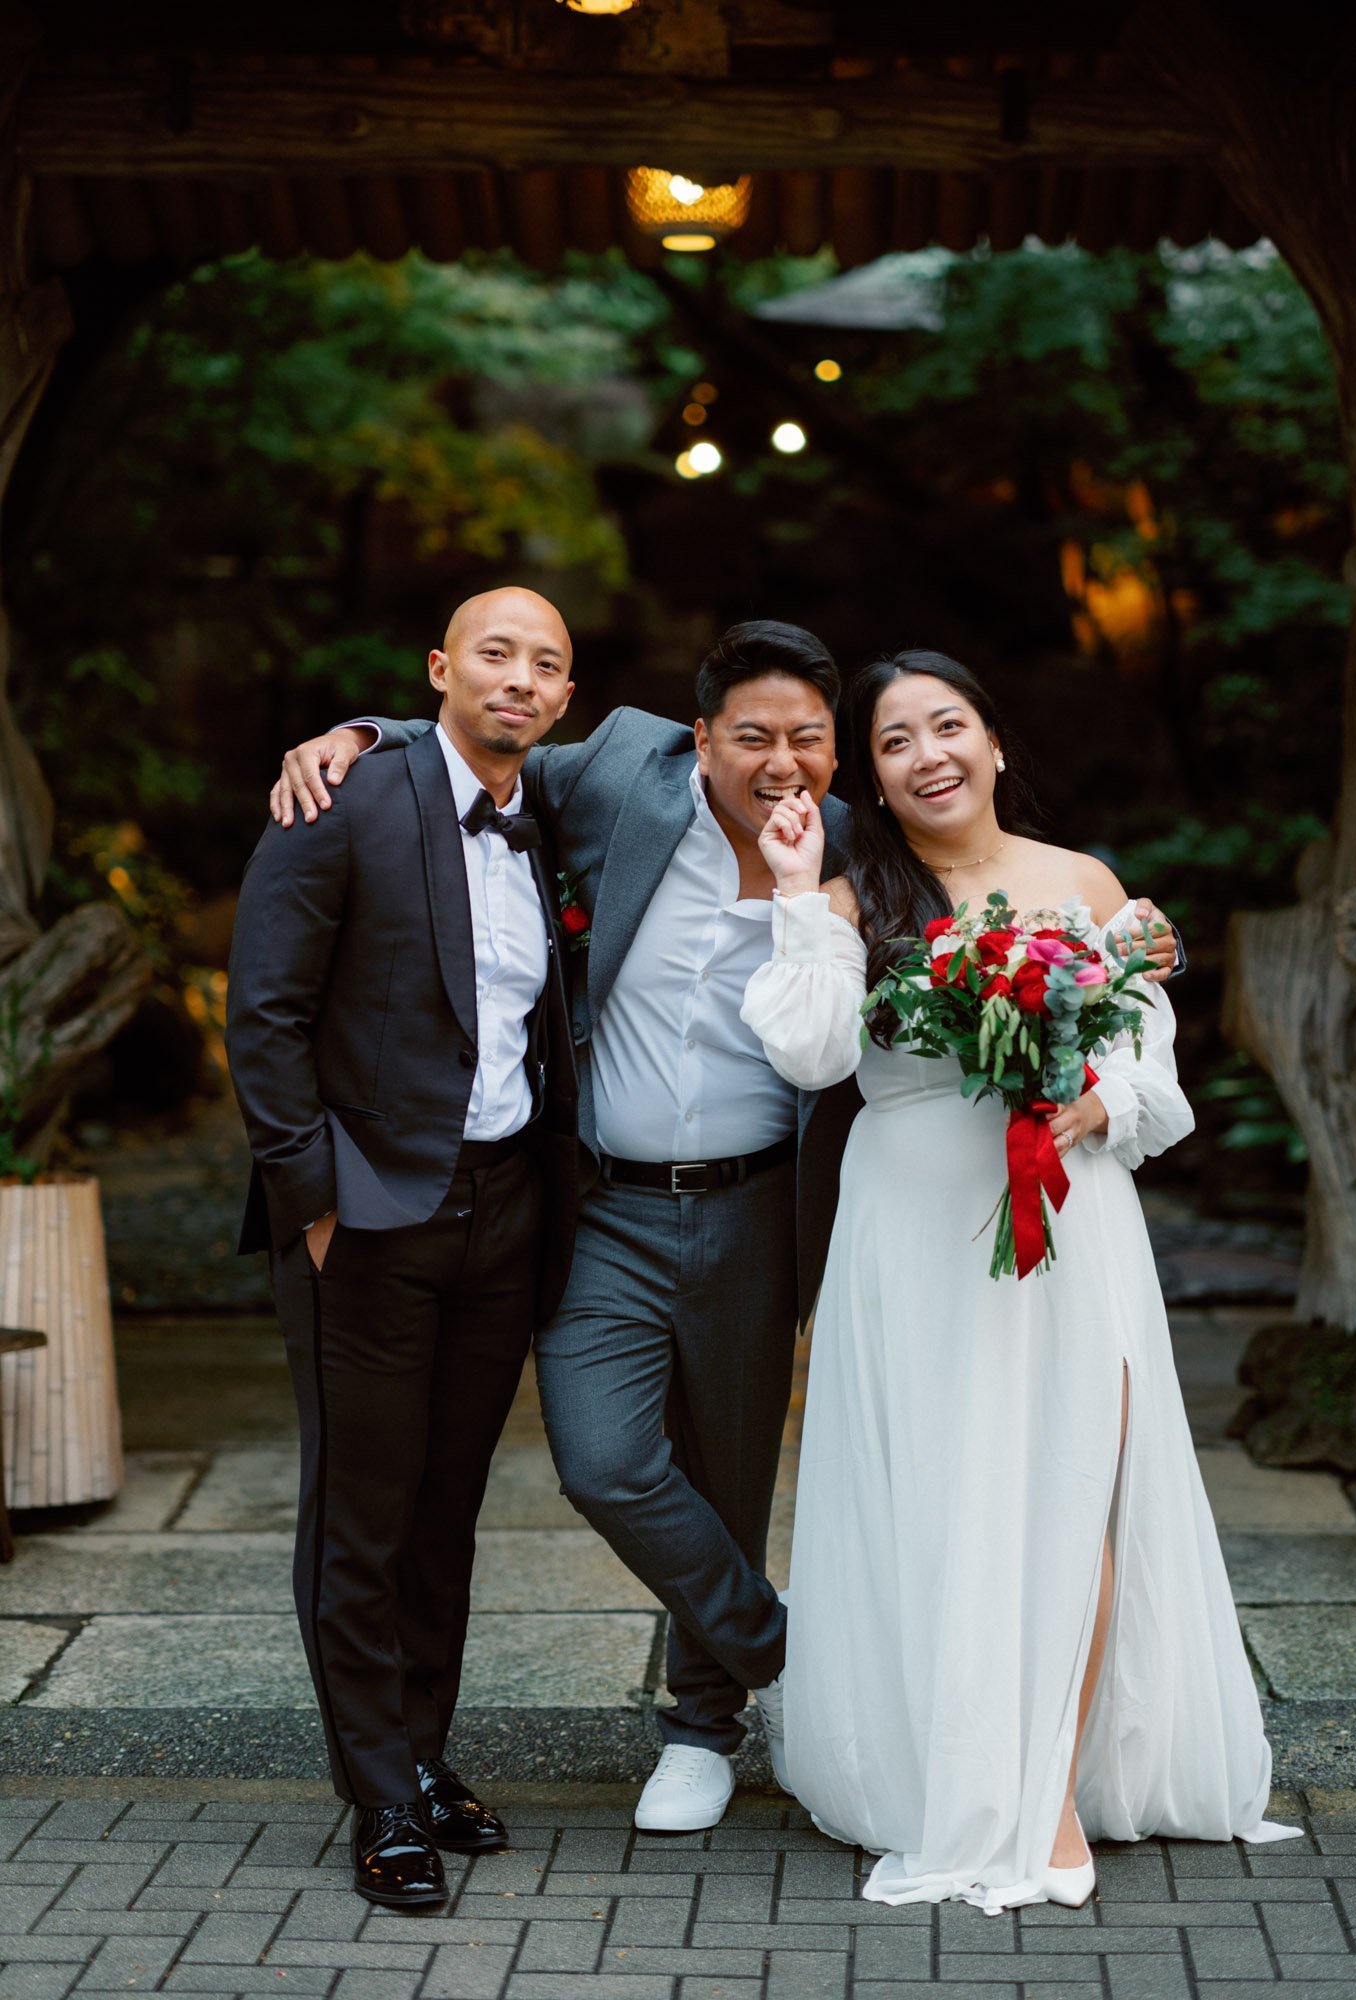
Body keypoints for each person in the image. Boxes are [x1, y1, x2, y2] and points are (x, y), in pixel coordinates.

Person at [269, 626, 1182, 1836]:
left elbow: (999, 910)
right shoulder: (622, 773)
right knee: (601, 1458)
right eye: (755, 735)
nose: (784, 761)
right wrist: (362, 734)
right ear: (702, 737)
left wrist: (1125, 947)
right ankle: (778, 1646)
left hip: (765, 1203)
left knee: (732, 1469)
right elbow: (488, 749)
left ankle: (703, 1726)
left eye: (811, 738)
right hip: (608, 1200)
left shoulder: (864, 853)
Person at [740, 648, 1296, 1914]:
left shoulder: (1085, 883)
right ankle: (969, 1766)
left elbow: (1153, 1075)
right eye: (893, 740)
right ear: (869, 778)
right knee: (942, 1491)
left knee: (1079, 1485)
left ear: (992, 741)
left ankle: (1046, 1787)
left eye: (948, 724)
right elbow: (815, 1054)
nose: (927, 752)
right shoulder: (849, 897)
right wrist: (786, 892)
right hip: (913, 1214)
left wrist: (1087, 1104)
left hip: (1066, 1204)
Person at [226, 587, 580, 1910]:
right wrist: (314, 1199)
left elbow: (687, 744)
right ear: (441, 667)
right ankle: (378, 1796)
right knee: (361, 1518)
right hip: (362, 1220)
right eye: (496, 653)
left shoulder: (556, 812)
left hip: (505, 1212)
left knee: (446, 1514)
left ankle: (421, 1756)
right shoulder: (348, 796)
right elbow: (261, 1014)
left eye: (547, 664)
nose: (521, 679)